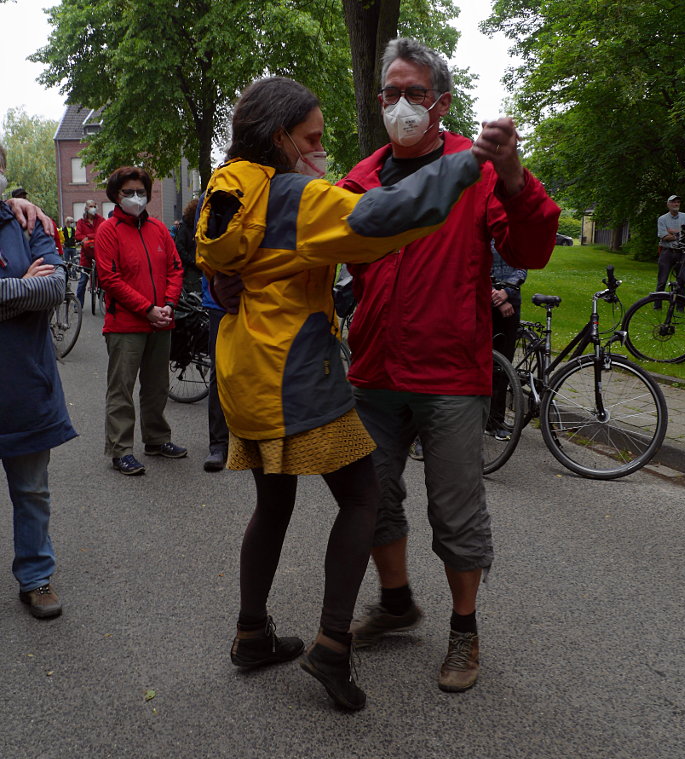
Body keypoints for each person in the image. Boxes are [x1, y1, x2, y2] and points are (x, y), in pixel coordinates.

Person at [195, 75, 507, 711]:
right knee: (363, 495)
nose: (319, 149)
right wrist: (466, 164)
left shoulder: (229, 189)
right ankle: (332, 647)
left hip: (245, 373)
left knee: (273, 504)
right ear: (281, 137)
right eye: (310, 138)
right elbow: (384, 217)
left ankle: (251, 634)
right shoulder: (300, 196)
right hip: (298, 373)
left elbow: (217, 268)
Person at [341, 38, 559, 693]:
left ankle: (465, 628)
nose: (401, 104)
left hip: (449, 373)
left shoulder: (477, 167)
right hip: (375, 371)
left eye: (414, 92)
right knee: (369, 499)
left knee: (456, 512)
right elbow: (349, 260)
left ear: (441, 101)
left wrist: (516, 176)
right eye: (391, 92)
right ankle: (399, 599)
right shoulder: (361, 178)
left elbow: (531, 244)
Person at [0, 143, 77, 619]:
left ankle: (36, 577)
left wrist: (26, 288)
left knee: (31, 491)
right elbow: (35, 289)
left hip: (25, 386)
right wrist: (22, 289)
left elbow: (54, 285)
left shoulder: (27, 222)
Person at [95, 167, 187, 476]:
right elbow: (110, 279)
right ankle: (121, 450)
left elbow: (175, 268)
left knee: (157, 386)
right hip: (125, 325)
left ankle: (157, 439)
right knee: (121, 389)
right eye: (129, 192)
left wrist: (168, 305)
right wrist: (147, 308)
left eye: (141, 191)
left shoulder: (159, 229)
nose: (136, 197)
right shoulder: (108, 231)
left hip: (161, 321)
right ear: (116, 196)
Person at [488, 242, 527, 440]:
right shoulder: (481, 230)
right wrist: (497, 297)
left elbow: (522, 267)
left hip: (511, 303)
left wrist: (507, 292)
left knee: (503, 367)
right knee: (481, 364)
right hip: (484, 303)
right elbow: (474, 266)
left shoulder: (515, 234)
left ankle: (495, 421)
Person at [201, 276, 228, 472]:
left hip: (259, 302)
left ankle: (255, 441)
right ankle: (218, 444)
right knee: (220, 372)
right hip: (221, 303)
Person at [656, 194, 685, 294]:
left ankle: (680, 306)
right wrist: (681, 233)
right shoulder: (662, 219)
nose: (676, 204)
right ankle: (657, 305)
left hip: (681, 252)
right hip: (667, 252)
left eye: (678, 202)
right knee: (662, 280)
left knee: (681, 281)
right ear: (668, 204)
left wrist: (672, 233)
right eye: (673, 202)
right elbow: (664, 237)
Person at [75, 199, 103, 308]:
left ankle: (104, 301)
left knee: (103, 279)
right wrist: (89, 237)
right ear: (86, 208)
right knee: (83, 280)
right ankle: (78, 305)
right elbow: (78, 236)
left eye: (94, 206)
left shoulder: (100, 220)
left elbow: (103, 232)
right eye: (90, 206)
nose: (93, 208)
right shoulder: (81, 222)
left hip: (99, 253)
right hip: (86, 255)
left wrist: (88, 236)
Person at [174, 200, 202, 293]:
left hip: (195, 266)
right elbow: (180, 248)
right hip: (190, 269)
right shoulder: (185, 228)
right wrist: (192, 261)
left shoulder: (191, 227)